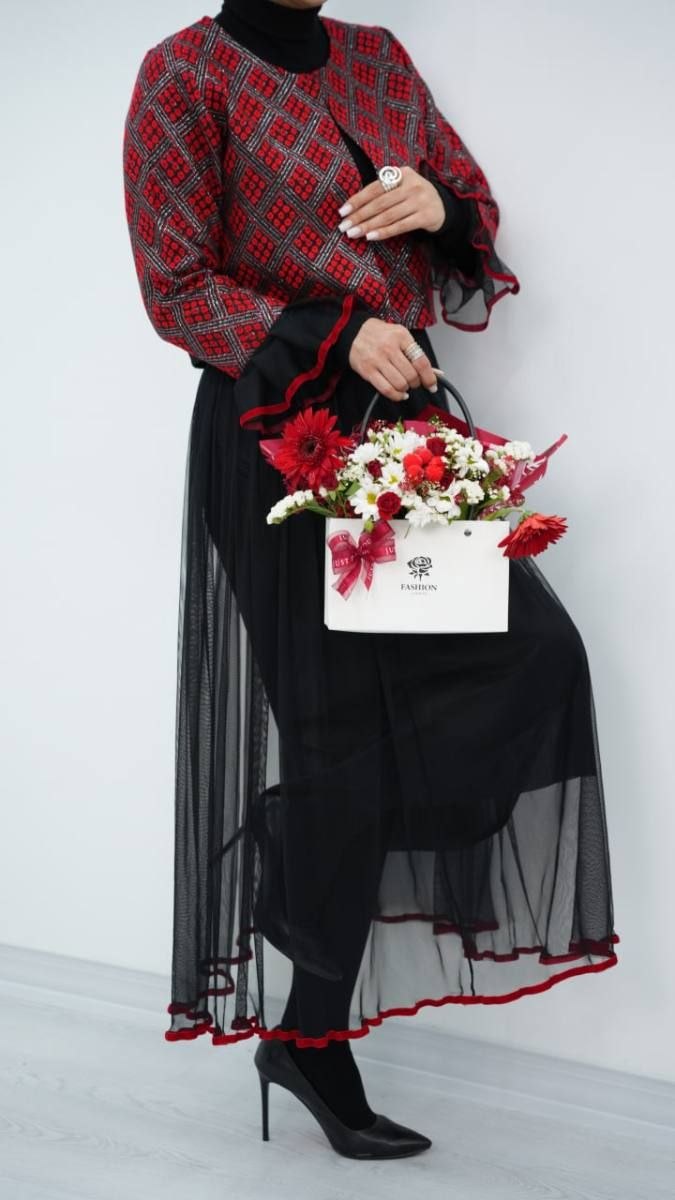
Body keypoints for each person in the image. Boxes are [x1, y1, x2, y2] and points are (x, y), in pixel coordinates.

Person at [122, 0, 619, 1160]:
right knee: (334, 734)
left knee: (535, 661)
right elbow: (176, 285)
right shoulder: (183, 74)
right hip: (274, 434)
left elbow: (468, 208)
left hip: (403, 437)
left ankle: (293, 871)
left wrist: (439, 206)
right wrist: (335, 331)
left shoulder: (379, 59)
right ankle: (313, 1039)